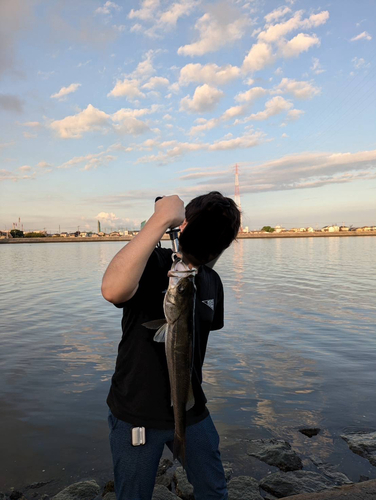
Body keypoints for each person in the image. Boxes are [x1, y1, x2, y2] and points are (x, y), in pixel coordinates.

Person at [101, 191, 241, 500]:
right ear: (183, 225)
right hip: (136, 413)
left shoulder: (211, 282)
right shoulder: (152, 263)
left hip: (191, 409)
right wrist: (160, 220)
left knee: (214, 489)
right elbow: (112, 290)